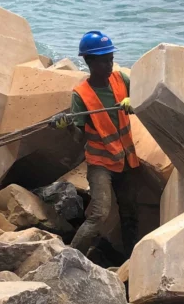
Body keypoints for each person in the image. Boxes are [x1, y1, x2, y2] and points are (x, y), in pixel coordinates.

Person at [54, 30, 139, 258]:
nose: (109, 64)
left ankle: (132, 260)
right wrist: (67, 125)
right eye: (103, 60)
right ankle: (70, 258)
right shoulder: (81, 94)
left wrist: (136, 99)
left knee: (131, 211)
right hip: (101, 162)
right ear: (89, 62)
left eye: (110, 58)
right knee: (100, 213)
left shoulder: (121, 80)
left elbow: (147, 93)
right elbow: (78, 137)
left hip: (126, 159)